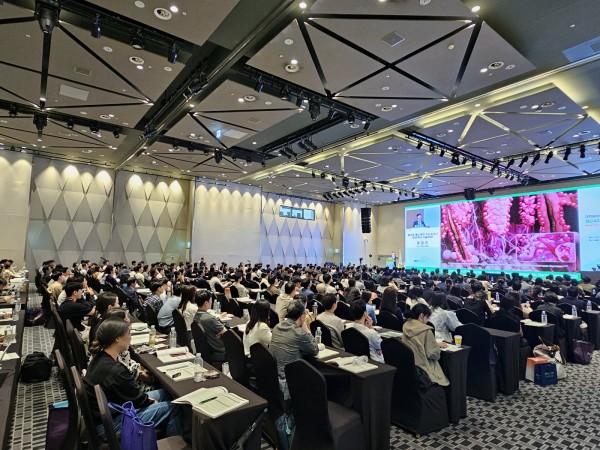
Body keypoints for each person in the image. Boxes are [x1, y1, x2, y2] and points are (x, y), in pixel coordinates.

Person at [84, 318, 183, 440]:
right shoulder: (116, 370)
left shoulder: (100, 357)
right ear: (117, 338)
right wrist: (150, 402)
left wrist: (147, 400)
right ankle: (175, 443)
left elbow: (132, 395)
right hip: (110, 425)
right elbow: (136, 399)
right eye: (128, 333)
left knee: (165, 393)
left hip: (112, 411)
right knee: (174, 407)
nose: (130, 337)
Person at [270, 299, 319, 400]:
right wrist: (307, 330)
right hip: (288, 382)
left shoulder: (277, 327)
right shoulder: (299, 333)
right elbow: (314, 350)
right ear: (302, 316)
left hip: (273, 377)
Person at [402, 304, 449, 386]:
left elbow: (417, 342)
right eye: (427, 318)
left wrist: (434, 344)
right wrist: (435, 347)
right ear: (421, 315)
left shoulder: (406, 326)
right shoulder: (426, 330)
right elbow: (433, 354)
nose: (427, 321)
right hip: (422, 370)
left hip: (409, 366)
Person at [194, 290, 228, 363]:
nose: (211, 302)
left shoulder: (195, 316)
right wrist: (220, 333)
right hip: (219, 352)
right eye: (210, 300)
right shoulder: (209, 318)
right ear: (206, 303)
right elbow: (226, 332)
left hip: (206, 351)